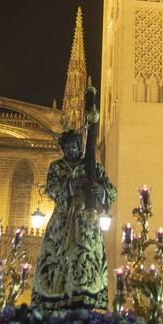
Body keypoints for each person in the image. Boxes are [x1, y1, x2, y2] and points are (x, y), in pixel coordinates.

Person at [32, 130, 116, 311]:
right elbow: (51, 188)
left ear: (80, 147)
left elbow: (110, 189)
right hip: (63, 221)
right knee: (57, 255)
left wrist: (101, 193)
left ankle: (86, 295)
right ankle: (54, 296)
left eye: (74, 146)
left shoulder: (93, 166)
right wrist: (69, 186)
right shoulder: (56, 167)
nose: (71, 150)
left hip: (86, 220)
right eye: (67, 147)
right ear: (63, 149)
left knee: (86, 255)